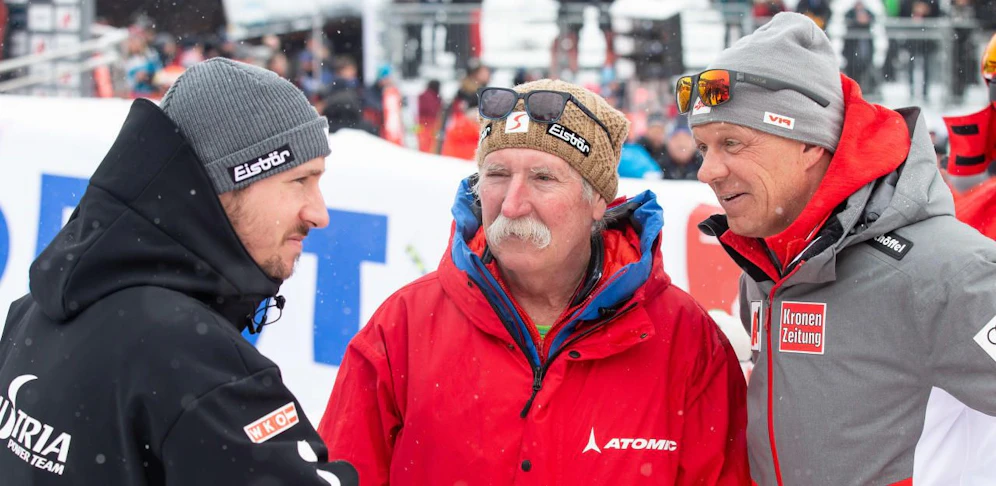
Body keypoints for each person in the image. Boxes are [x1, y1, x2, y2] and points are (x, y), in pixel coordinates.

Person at [318, 78, 749, 485]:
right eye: (497, 175)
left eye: (543, 178)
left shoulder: (684, 339)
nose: (513, 203)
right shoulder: (404, 327)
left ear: (598, 199)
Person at [0, 58, 357, 486]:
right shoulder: (193, 362)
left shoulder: (33, 313)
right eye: (301, 180)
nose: (319, 213)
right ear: (225, 185)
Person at [685, 13, 996, 485]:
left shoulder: (947, 272)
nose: (708, 170)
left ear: (810, 143)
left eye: (732, 143)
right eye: (703, 147)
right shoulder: (766, 267)